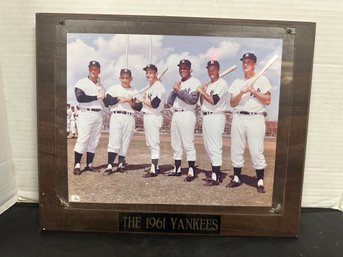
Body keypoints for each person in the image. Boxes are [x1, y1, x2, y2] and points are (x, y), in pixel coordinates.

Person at [227, 53, 272, 193]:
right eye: (244, 61)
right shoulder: (237, 82)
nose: (245, 64)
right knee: (236, 148)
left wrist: (252, 90)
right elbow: (232, 103)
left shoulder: (262, 79)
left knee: (256, 149)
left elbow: (267, 100)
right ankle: (236, 177)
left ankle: (259, 179)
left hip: (256, 118)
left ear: (254, 64)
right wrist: (241, 93)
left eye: (249, 61)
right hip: (239, 117)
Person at [102, 68, 142, 176]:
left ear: (131, 78)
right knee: (114, 141)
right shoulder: (114, 88)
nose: (125, 80)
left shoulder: (134, 91)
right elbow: (106, 101)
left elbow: (139, 107)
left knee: (125, 141)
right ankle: (110, 165)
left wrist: (130, 101)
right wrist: (118, 98)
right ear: (120, 78)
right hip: (116, 115)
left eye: (127, 78)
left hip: (129, 116)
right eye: (123, 78)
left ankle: (120, 165)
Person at [166, 59, 200, 181]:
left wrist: (178, 90)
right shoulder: (178, 82)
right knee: (175, 143)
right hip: (176, 114)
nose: (183, 69)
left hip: (187, 114)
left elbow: (192, 100)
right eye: (181, 68)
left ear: (190, 69)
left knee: (188, 143)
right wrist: (174, 89)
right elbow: (169, 101)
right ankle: (177, 168)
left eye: (185, 67)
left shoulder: (195, 82)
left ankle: (191, 170)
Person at [197, 60, 228, 186]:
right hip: (206, 117)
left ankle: (216, 176)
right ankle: (215, 172)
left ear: (218, 69)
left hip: (216, 116)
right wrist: (202, 91)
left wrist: (201, 91)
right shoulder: (209, 85)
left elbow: (213, 100)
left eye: (214, 68)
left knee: (215, 146)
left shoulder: (222, 83)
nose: (211, 70)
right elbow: (202, 102)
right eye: (209, 68)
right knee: (208, 147)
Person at [72, 60, 105, 175]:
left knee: (94, 141)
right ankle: (77, 165)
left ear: (99, 71)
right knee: (83, 139)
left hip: (98, 114)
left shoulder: (101, 86)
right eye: (91, 68)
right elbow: (80, 97)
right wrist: (97, 96)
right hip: (86, 113)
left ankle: (89, 164)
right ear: (88, 69)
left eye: (96, 68)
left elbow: (106, 100)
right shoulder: (82, 82)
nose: (93, 70)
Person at [138, 64, 166, 177]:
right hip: (148, 115)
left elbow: (155, 104)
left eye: (150, 72)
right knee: (150, 142)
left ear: (156, 74)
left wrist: (142, 99)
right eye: (147, 73)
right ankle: (156, 166)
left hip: (154, 115)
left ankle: (154, 169)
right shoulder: (151, 87)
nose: (148, 74)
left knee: (154, 142)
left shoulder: (159, 87)